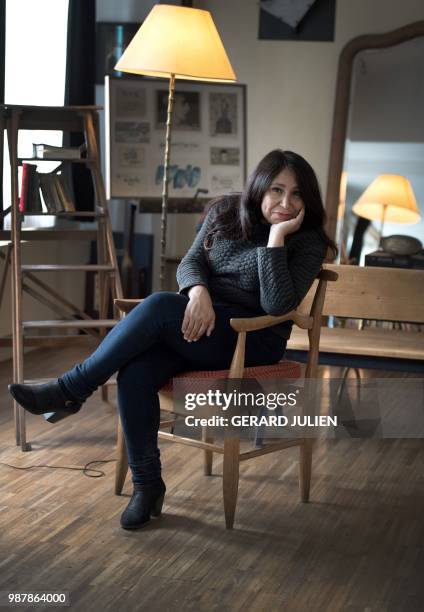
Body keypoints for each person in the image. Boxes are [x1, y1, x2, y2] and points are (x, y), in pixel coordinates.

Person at [9, 149, 337, 531]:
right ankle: (147, 486)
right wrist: (198, 292)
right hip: (200, 326)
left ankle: (69, 390)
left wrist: (277, 238)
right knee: (135, 372)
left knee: (162, 304)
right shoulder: (226, 212)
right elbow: (190, 261)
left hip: (251, 339)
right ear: (259, 187)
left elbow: (277, 303)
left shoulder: (308, 240)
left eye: (296, 195)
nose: (285, 202)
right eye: (276, 190)